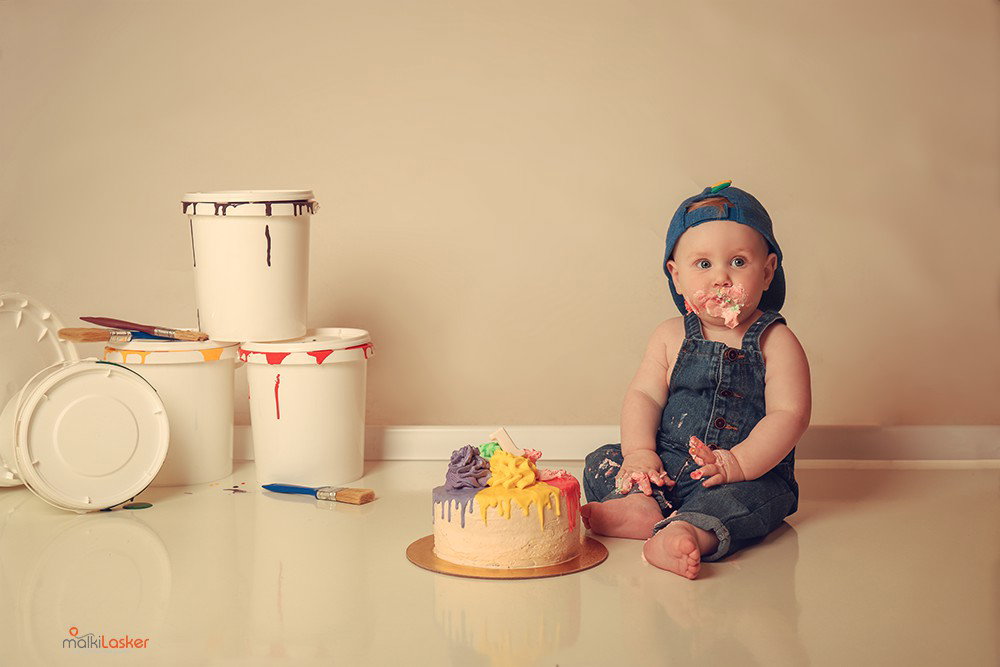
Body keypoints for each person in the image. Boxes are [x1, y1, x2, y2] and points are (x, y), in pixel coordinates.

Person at [580, 180, 811, 579]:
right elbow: (644, 397)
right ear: (676, 276)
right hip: (667, 464)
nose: (721, 277)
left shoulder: (777, 341)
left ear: (768, 271)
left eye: (738, 262)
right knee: (603, 459)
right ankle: (639, 504)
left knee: (758, 498)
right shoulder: (670, 335)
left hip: (741, 472)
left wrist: (737, 463)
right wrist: (638, 455)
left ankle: (687, 531)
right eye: (703, 265)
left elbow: (790, 415)